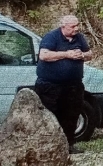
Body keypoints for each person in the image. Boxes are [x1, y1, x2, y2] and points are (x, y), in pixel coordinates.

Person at [34, 13, 93, 145]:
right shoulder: (52, 37)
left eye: (77, 25)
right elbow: (44, 55)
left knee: (71, 115)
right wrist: (67, 54)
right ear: (63, 27)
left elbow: (90, 54)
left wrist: (82, 55)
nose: (76, 29)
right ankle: (48, 146)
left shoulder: (80, 38)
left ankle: (68, 145)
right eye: (72, 26)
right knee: (50, 116)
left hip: (73, 85)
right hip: (50, 85)